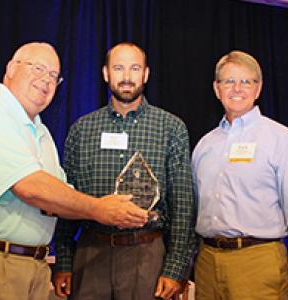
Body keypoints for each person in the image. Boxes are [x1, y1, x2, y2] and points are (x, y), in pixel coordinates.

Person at [0, 42, 149, 300]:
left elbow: (56, 196)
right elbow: (31, 188)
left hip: (29, 268)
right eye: (38, 68)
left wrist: (92, 204)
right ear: (11, 68)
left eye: (53, 76)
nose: (45, 80)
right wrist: (99, 208)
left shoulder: (40, 132)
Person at [53, 42, 196, 300]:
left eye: (135, 68)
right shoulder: (81, 130)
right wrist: (64, 262)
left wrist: (176, 268)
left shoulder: (171, 128)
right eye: (118, 68)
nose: (127, 77)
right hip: (89, 253)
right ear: (106, 73)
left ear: (146, 74)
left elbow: (183, 205)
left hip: (147, 254)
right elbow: (67, 199)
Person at [191, 50, 288, 300]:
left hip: (258, 263)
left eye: (246, 81)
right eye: (229, 81)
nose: (237, 88)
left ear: (258, 88)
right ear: (217, 89)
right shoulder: (204, 145)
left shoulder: (281, 139)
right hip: (207, 264)